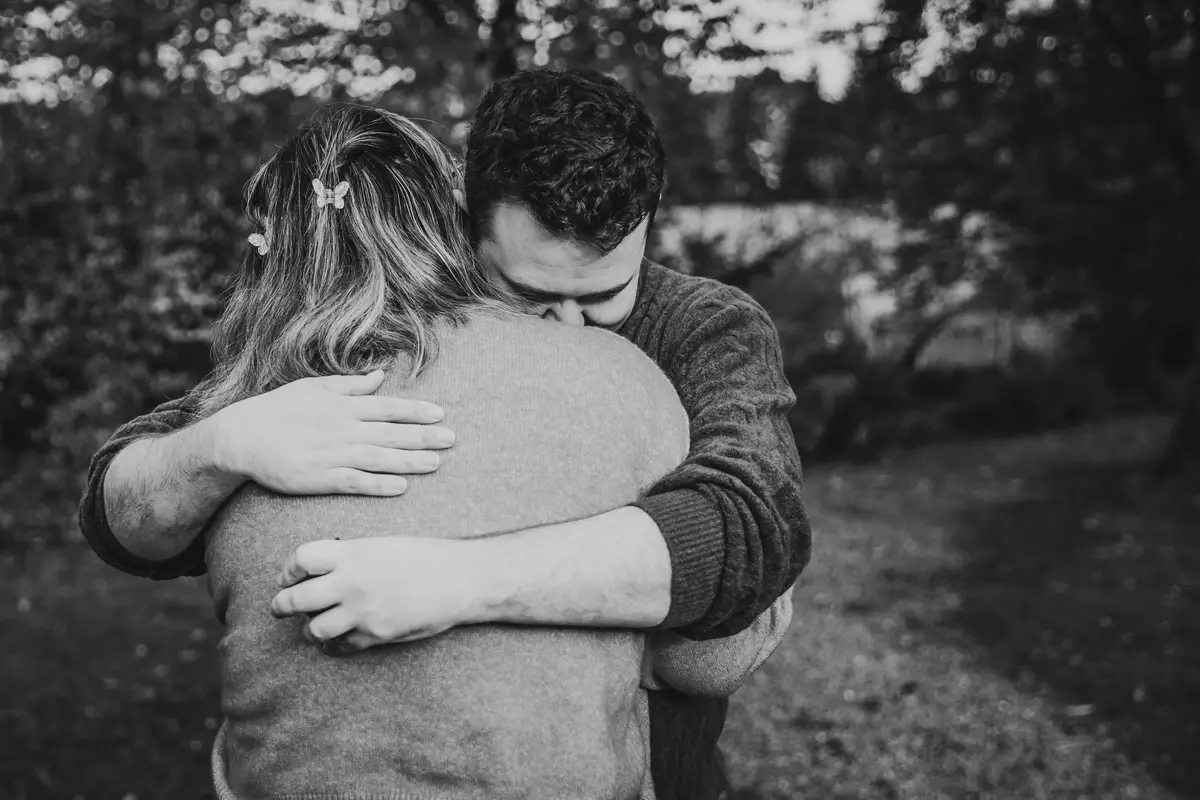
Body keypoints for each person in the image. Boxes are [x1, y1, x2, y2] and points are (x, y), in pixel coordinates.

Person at [79, 68, 811, 799]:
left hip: (662, 764)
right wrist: (221, 445)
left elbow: (750, 528)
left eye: (603, 296)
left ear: (649, 223)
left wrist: (451, 581)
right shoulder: (360, 338)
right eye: (527, 292)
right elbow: (124, 514)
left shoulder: (709, 328)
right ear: (463, 211)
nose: (568, 327)